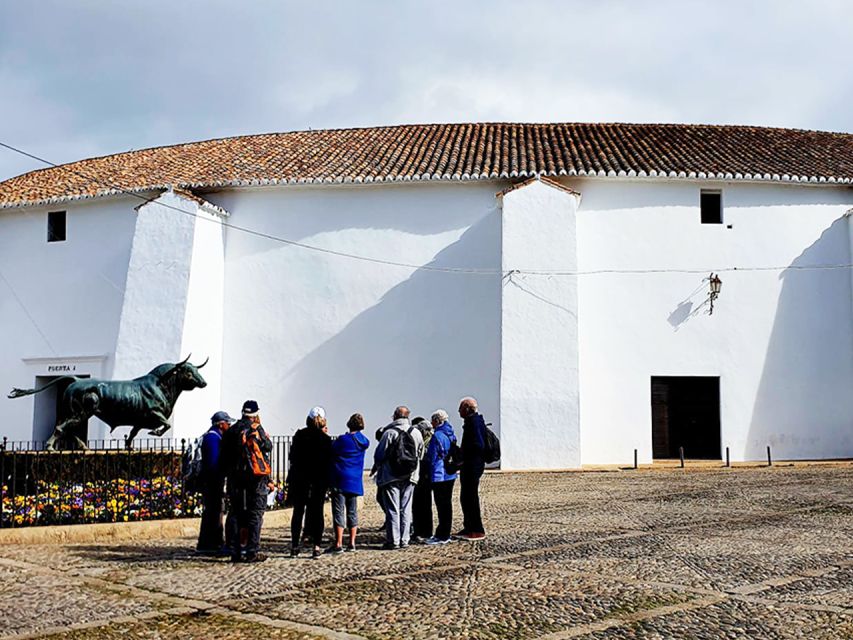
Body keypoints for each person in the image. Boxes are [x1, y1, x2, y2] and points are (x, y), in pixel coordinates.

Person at [223, 400, 273, 562]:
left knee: (236, 513)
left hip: (236, 478)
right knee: (255, 514)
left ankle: (235, 551)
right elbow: (268, 447)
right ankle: (252, 550)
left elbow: (225, 454)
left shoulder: (231, 430)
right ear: (256, 414)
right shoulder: (256, 428)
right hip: (255, 478)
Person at [374, 406, 424, 550]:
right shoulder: (416, 432)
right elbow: (420, 454)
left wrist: (379, 468)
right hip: (410, 475)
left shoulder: (389, 433)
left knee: (392, 509)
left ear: (395, 416)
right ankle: (405, 539)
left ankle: (393, 540)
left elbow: (379, 455)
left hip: (391, 476)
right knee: (406, 508)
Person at [287, 406, 332, 558]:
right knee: (317, 512)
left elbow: (292, 457)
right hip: (318, 481)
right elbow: (328, 463)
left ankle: (294, 546)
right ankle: (316, 547)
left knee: (298, 512)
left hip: (301, 479)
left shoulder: (299, 436)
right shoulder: (325, 440)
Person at [326, 413, 370, 554]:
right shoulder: (364, 441)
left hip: (340, 478)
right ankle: (352, 543)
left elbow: (332, 450)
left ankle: (338, 543)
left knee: (338, 511)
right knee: (352, 511)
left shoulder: (343, 440)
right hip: (355, 480)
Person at [196, 410, 235, 555]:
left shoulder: (214, 436)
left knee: (213, 511)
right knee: (213, 512)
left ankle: (209, 542)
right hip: (212, 481)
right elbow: (214, 463)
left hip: (212, 480)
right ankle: (212, 543)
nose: (229, 425)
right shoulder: (213, 439)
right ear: (221, 424)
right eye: (228, 423)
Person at [424, 409, 457, 544]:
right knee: (447, 505)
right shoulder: (450, 434)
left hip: (439, 474)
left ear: (437, 421)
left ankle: (442, 535)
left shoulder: (437, 435)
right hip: (450, 473)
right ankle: (446, 532)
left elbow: (432, 457)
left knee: (441, 505)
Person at [457, 396, 487, 540]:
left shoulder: (473, 423)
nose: (458, 411)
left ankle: (476, 529)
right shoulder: (474, 421)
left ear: (467, 409)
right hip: (472, 465)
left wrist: (466, 457)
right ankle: (469, 526)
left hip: (472, 466)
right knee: (466, 497)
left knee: (470, 497)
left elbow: (478, 444)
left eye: (461, 408)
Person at [410, 416, 434, 542]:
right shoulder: (429, 440)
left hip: (423, 476)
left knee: (421, 505)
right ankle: (423, 530)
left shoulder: (428, 442)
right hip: (425, 476)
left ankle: (422, 531)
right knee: (424, 505)